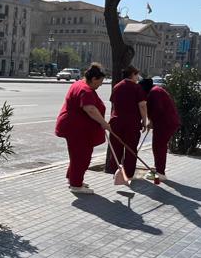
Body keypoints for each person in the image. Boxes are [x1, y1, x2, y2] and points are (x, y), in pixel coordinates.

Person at [54, 63, 110, 194]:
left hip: (74, 128)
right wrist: (104, 124)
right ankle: (76, 185)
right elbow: (90, 109)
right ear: (94, 79)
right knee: (82, 157)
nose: (101, 85)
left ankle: (73, 179)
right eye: (100, 81)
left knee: (76, 155)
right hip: (78, 130)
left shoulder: (79, 84)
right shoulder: (86, 90)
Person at [105, 65, 150, 183]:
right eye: (137, 74)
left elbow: (114, 104)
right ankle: (128, 175)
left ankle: (116, 172)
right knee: (131, 149)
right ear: (132, 74)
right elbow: (142, 105)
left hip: (116, 122)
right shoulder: (136, 88)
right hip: (131, 123)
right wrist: (144, 120)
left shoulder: (117, 86)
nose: (137, 77)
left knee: (116, 148)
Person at [140, 77, 180, 182]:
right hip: (166, 123)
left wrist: (150, 121)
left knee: (159, 147)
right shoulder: (156, 90)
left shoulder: (154, 93)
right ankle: (158, 168)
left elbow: (157, 109)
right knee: (158, 146)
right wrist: (151, 121)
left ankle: (160, 173)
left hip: (165, 124)